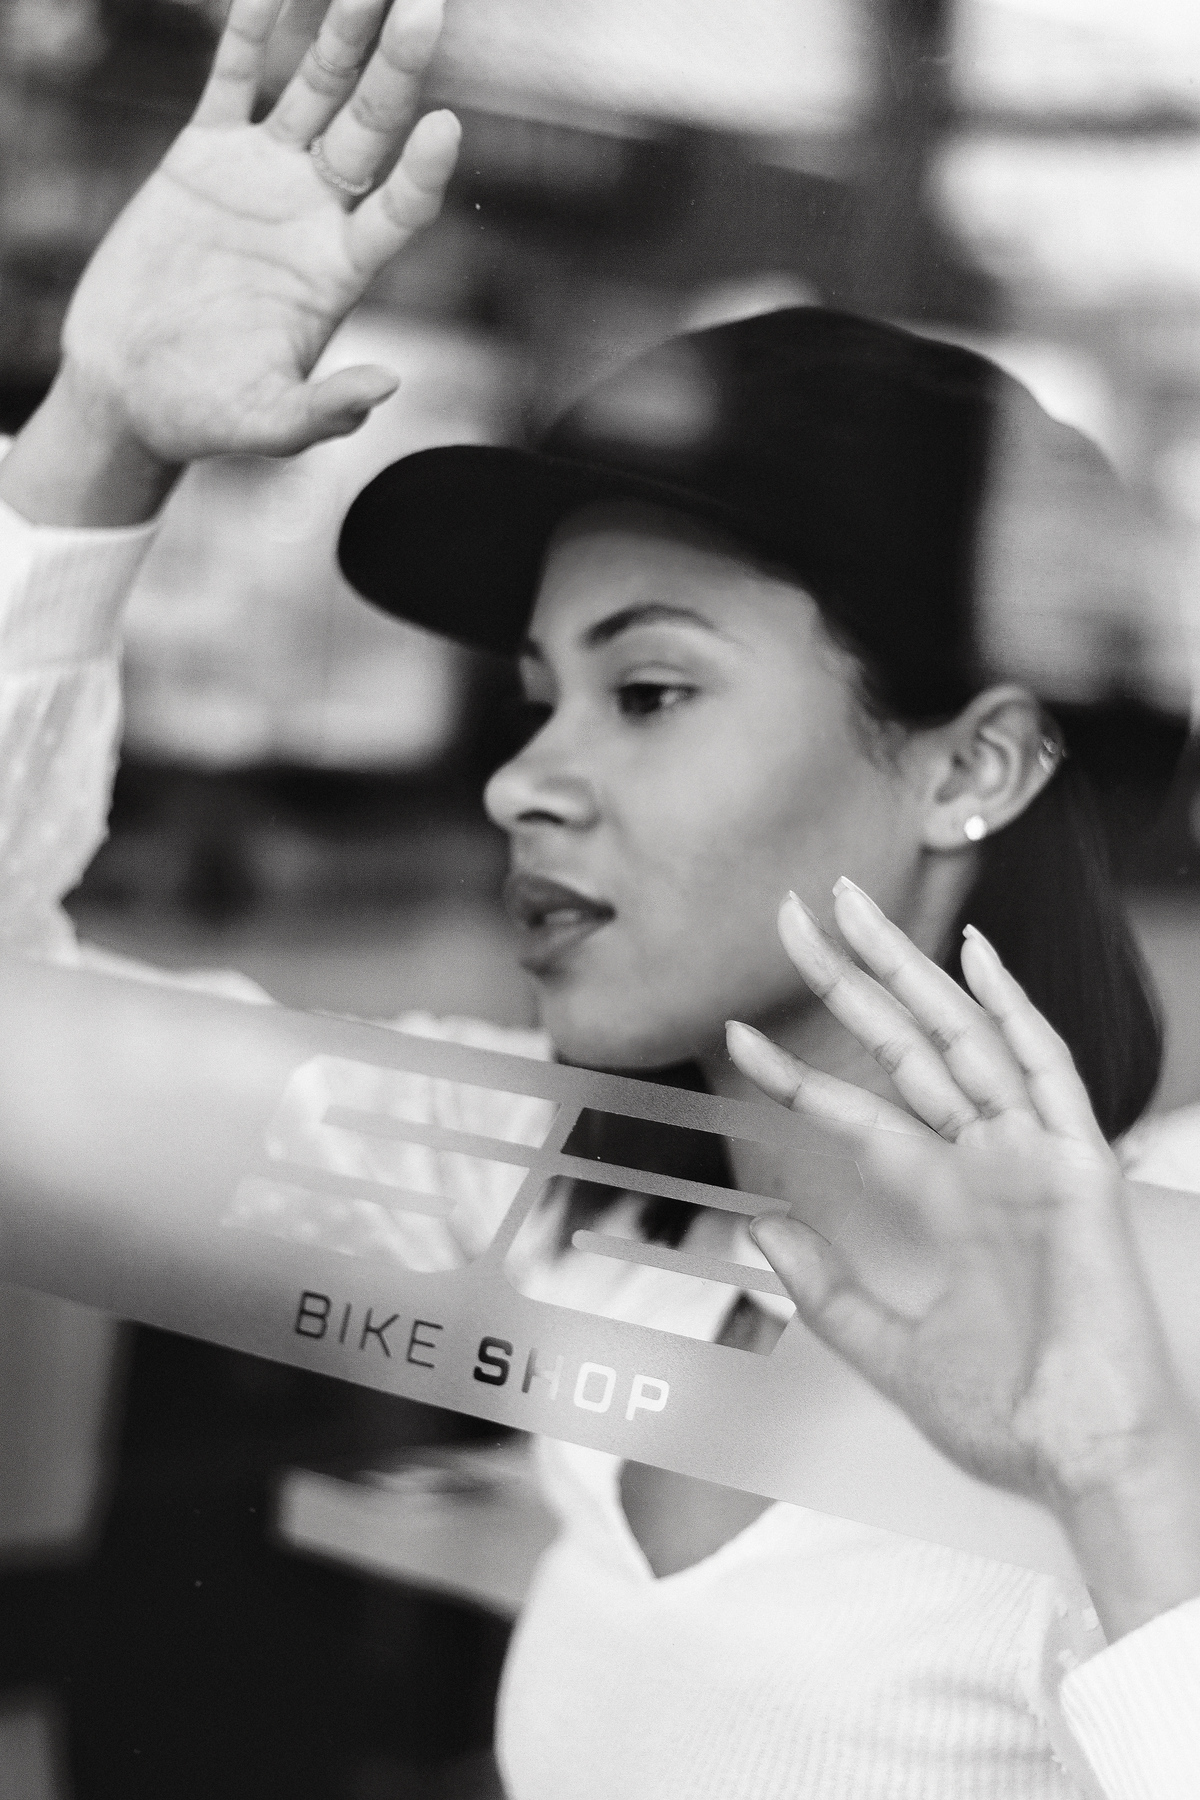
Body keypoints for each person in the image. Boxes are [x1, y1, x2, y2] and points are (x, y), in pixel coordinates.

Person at [1, 1, 1198, 1795]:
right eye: (536, 698)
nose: (522, 780)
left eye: (647, 691)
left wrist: (1126, 1492)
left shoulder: (1161, 1292)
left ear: (974, 765)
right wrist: (94, 440)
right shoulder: (573, 1206)